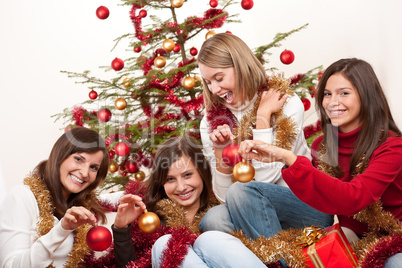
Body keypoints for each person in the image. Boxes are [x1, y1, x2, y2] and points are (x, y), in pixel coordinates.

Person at [235, 58, 402, 267]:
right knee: (240, 194)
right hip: (348, 232)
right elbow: (321, 192)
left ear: (366, 96)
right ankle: (283, 262)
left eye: (344, 93)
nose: (332, 102)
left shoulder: (392, 146)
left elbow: (355, 198)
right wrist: (281, 159)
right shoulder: (325, 143)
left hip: (391, 238)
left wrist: (289, 158)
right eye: (327, 94)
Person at [197, 32, 333, 233]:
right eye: (208, 82)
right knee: (213, 220)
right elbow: (224, 198)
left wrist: (263, 116)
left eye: (219, 78)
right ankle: (274, 259)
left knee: (241, 193)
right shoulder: (210, 123)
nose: (215, 89)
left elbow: (265, 179)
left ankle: (275, 260)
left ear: (241, 66)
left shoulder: (284, 102)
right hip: (246, 205)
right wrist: (221, 155)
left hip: (304, 203)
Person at [100, 135, 267, 268]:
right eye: (170, 179)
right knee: (165, 244)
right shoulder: (149, 219)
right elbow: (132, 266)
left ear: (202, 172)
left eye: (188, 175)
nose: (181, 187)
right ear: (161, 183)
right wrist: (122, 229)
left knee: (209, 239)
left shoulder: (221, 214)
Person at [0, 127, 110, 268]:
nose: (84, 173)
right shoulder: (22, 197)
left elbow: (112, 198)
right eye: (78, 159)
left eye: (93, 167)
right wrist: (61, 230)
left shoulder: (81, 206)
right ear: (60, 155)